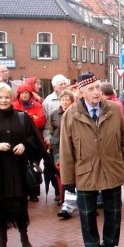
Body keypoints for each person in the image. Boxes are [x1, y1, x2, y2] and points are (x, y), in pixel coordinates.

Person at [60, 72, 124, 247]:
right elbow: (66, 149)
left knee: (114, 212)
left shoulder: (114, 110)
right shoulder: (72, 114)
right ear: (81, 92)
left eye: (98, 88)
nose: (96, 92)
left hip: (111, 169)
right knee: (87, 215)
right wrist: (67, 179)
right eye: (91, 89)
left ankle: (109, 246)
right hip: (84, 171)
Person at [0, 83, 45, 247]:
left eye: (6, 97)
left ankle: (24, 236)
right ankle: (2, 237)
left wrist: (24, 145)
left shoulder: (22, 117)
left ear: (11, 98)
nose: (3, 100)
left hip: (17, 169)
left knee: (19, 205)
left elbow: (34, 138)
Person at [12, 83, 47, 202]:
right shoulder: (14, 105)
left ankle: (34, 192)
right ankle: (23, 192)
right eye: (22, 93)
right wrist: (32, 118)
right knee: (20, 168)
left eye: (27, 93)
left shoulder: (37, 105)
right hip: (18, 141)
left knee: (34, 166)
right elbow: (13, 123)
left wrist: (28, 120)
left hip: (34, 141)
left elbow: (41, 121)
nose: (24, 95)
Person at [49, 90, 77, 219]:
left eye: (67, 100)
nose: (65, 102)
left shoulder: (76, 114)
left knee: (75, 176)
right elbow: (50, 130)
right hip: (58, 149)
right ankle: (66, 203)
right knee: (62, 176)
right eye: (63, 100)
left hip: (73, 149)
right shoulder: (54, 114)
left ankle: (76, 203)